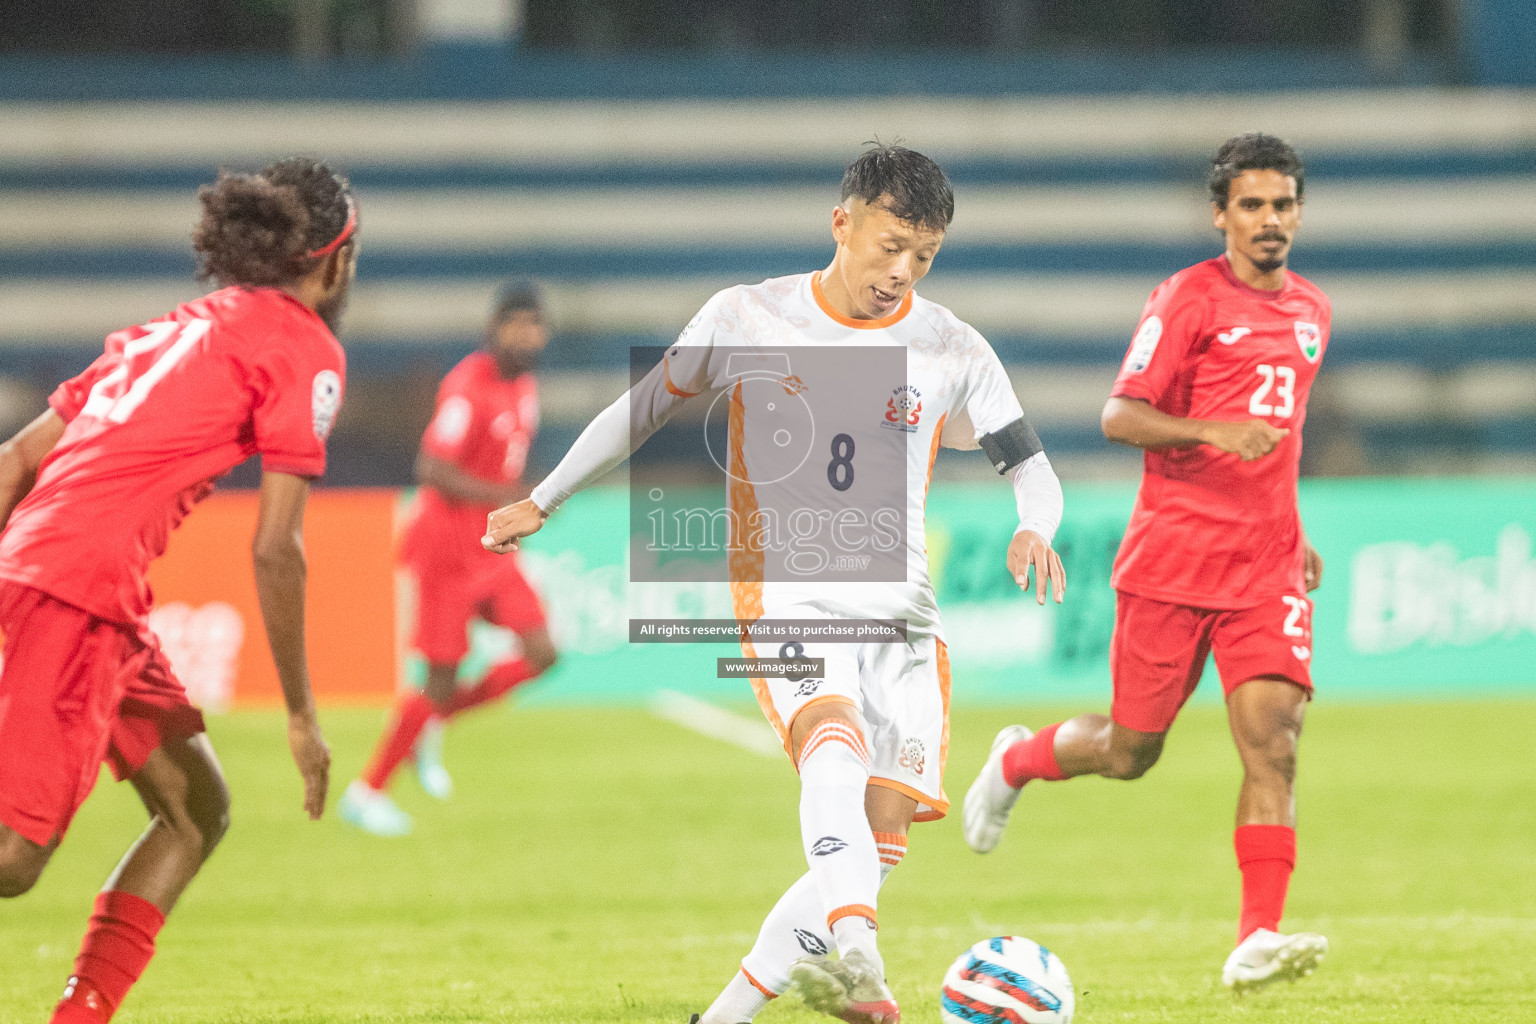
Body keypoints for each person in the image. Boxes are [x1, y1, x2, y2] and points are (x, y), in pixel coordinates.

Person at [483, 145, 1067, 1024]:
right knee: (826, 741)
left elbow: (1031, 465)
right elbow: (641, 407)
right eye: (889, 245)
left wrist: (1036, 524)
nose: (901, 271)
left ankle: (725, 1015)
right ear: (844, 223)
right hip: (787, 590)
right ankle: (860, 951)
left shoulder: (950, 345)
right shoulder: (750, 315)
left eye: (924, 256)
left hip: (903, 612)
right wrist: (545, 497)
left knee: (883, 839)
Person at [962, 132, 1330, 993]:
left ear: (1298, 212)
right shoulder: (1189, 300)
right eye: (1252, 205)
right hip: (1172, 563)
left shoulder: (1313, 310)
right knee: (1132, 752)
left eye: (1282, 204)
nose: (1269, 220)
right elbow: (1119, 415)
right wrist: (1212, 431)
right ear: (1221, 215)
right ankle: (1018, 759)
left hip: (1266, 568)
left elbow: (1284, 444)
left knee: (1273, 743)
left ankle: (1256, 937)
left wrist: (1295, 526)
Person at [0, 158, 355, 1023]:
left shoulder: (171, 327)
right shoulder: (306, 348)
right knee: (12, 857)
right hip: (76, 589)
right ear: (333, 258)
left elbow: (16, 458)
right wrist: (302, 715)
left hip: (68, 580)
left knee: (196, 810)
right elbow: (277, 549)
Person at [340, 281, 556, 836]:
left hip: (490, 547)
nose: (527, 336)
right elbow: (431, 468)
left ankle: (431, 724)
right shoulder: (466, 388)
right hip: (446, 548)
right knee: (439, 676)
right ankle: (367, 792)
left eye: (535, 326)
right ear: (494, 329)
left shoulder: (525, 386)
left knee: (541, 652)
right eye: (517, 324)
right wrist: (505, 499)